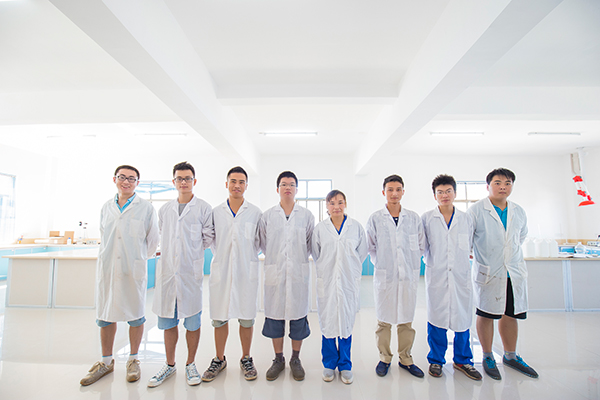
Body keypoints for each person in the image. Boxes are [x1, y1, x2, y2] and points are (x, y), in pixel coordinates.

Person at [80, 165, 159, 386]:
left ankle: (133, 359)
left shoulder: (146, 208)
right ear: (114, 179)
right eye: (122, 177)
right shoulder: (106, 207)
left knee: (136, 315)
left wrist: (136, 258)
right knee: (106, 315)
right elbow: (105, 236)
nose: (126, 182)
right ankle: (106, 362)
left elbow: (152, 241)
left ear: (137, 183)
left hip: (132, 269)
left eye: (131, 178)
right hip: (109, 269)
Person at [148, 162, 214, 387]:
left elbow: (207, 238)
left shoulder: (203, 208)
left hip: (189, 275)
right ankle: (169, 364)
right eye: (179, 178)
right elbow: (162, 235)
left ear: (194, 181)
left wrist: (190, 253)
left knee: (192, 323)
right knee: (169, 322)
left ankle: (190, 364)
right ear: (173, 181)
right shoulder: (165, 210)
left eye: (188, 178)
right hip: (168, 274)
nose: (184, 182)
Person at [468, 168, 538, 380]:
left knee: (510, 314)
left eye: (507, 183)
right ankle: (488, 356)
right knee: (486, 314)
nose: (503, 187)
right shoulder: (476, 210)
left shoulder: (518, 211)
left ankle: (511, 355)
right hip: (489, 272)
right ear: (488, 186)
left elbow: (520, 237)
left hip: (512, 272)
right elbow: (468, 240)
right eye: (497, 183)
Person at [202, 166, 262, 382]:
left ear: (246, 185)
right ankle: (219, 359)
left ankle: (246, 358)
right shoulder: (216, 212)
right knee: (219, 318)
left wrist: (244, 256)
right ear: (226, 184)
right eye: (233, 181)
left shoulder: (255, 212)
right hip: (222, 270)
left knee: (246, 318)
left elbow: (259, 242)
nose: (237, 185)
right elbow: (210, 240)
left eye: (241, 182)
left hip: (246, 271)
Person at [421, 174, 482, 380]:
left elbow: (471, 244)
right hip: (437, 276)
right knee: (437, 318)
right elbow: (423, 246)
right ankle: (436, 360)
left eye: (448, 191)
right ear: (434, 195)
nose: (444, 195)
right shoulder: (427, 219)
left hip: (460, 276)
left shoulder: (466, 219)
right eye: (440, 192)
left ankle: (463, 360)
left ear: (455, 193)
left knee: (462, 318)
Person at [366, 175, 425, 378]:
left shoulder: (414, 218)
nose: (394, 193)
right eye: (390, 189)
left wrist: (410, 266)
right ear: (384, 192)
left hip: (407, 276)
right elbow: (371, 247)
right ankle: (384, 358)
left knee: (406, 320)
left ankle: (406, 358)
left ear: (403, 192)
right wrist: (382, 265)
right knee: (383, 321)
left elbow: (421, 245)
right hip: (386, 276)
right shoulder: (375, 218)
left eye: (398, 189)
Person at [259, 171, 314, 381]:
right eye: (284, 184)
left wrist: (294, 261)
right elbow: (264, 243)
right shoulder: (267, 216)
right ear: (277, 189)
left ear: (296, 189)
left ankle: (295, 359)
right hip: (276, 272)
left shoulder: (306, 216)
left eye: (291, 184)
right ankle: (278, 359)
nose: (288, 187)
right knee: (275, 318)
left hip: (298, 273)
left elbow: (308, 244)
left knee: (298, 319)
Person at [312, 190, 367, 385]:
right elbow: (316, 253)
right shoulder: (320, 229)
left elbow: (362, 252)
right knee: (328, 322)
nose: (336, 206)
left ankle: (345, 365)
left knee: (345, 322)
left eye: (340, 202)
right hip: (327, 281)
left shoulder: (356, 228)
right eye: (332, 203)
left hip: (347, 281)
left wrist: (349, 270)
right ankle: (329, 364)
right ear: (327, 206)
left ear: (346, 204)